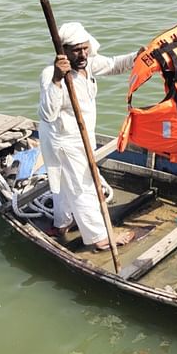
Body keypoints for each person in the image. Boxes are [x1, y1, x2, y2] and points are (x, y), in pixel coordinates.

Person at [38, 22, 139, 250]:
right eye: (76, 50)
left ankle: (61, 224)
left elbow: (114, 65)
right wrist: (56, 79)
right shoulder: (50, 75)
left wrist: (139, 56)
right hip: (64, 141)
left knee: (65, 185)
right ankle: (98, 237)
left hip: (81, 136)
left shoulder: (88, 65)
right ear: (63, 51)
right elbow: (47, 114)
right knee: (82, 186)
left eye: (85, 48)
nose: (82, 54)